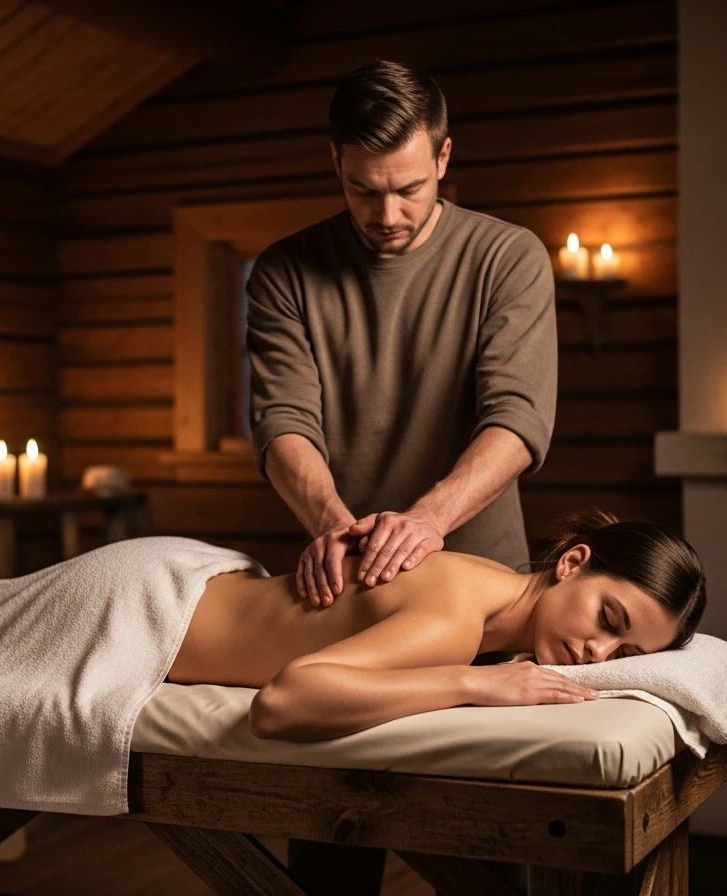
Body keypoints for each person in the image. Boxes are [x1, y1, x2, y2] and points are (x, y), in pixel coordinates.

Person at [244, 57, 559, 893]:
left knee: (486, 857)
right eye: (363, 190)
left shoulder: (509, 257)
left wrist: (426, 521)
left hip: (478, 598)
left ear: (446, 157)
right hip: (346, 593)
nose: (387, 214)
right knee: (333, 845)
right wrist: (327, 518)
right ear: (335, 167)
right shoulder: (284, 271)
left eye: (409, 189)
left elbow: (519, 421)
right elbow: (281, 422)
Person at [169, 512, 708, 740]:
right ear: (572, 563)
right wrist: (478, 683)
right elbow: (280, 704)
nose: (598, 651)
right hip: (156, 607)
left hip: (198, 582)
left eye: (624, 654)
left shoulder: (492, 593)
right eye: (608, 619)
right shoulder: (457, 621)